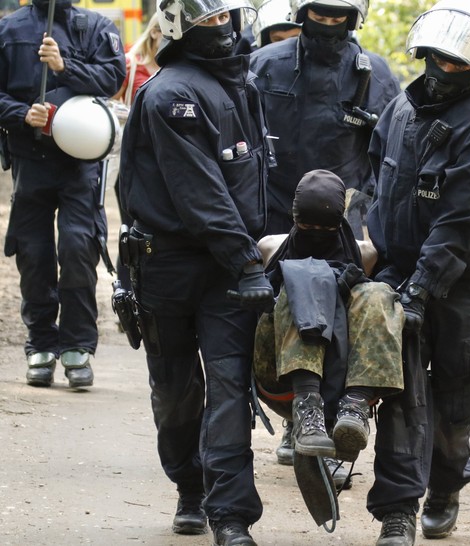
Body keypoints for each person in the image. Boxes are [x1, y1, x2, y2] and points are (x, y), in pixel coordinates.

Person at [365, 1, 470, 544]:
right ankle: (397, 511)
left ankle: (445, 487)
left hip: (462, 288)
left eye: (456, 61)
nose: (441, 67)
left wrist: (421, 290)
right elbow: (374, 181)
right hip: (399, 275)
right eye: (434, 56)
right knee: (398, 395)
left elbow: (464, 222)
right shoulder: (401, 111)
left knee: (454, 402)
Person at [118, 0, 275, 544]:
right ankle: (190, 486)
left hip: (229, 270)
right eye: (208, 18)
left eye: (226, 16)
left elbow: (255, 182)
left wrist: (269, 252)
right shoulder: (168, 94)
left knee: (231, 387)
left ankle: (230, 518)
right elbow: (199, 192)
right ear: (181, 25)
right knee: (177, 392)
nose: (222, 27)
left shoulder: (244, 85)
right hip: (169, 265)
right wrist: (246, 258)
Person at [250, 0, 401, 473]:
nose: (330, 21)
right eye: (321, 11)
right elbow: (239, 144)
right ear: (302, 10)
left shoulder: (375, 74)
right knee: (279, 321)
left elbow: (390, 159)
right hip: (275, 220)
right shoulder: (264, 66)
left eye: (340, 12)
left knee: (351, 325)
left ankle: (343, 429)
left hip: (347, 223)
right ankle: (300, 416)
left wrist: (371, 222)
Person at [0, 0, 126, 388]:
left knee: (77, 247)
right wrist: (20, 114)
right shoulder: (9, 30)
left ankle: (77, 346)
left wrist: (63, 66)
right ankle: (40, 342)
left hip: (80, 163)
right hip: (30, 157)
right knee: (33, 254)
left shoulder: (96, 26)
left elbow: (112, 78)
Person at [253, 169, 404, 472]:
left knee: (377, 292)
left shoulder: (366, 254)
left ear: (340, 223)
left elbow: (372, 321)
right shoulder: (269, 247)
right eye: (305, 225)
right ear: (293, 217)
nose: (313, 232)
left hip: (344, 369)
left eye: (325, 227)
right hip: (280, 373)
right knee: (303, 278)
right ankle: (307, 409)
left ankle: (352, 408)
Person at [110, 13, 163, 291]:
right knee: (132, 228)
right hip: (132, 160)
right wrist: (130, 116)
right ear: (154, 32)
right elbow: (108, 103)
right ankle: (125, 291)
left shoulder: (175, 65)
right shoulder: (131, 65)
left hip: (164, 161)